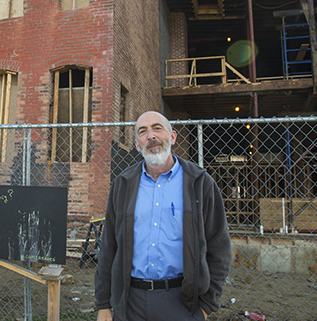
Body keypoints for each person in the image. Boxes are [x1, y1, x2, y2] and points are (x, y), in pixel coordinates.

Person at [95, 111, 231, 321]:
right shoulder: (123, 184)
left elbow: (219, 247)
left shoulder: (199, 183)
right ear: (137, 144)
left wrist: (205, 306)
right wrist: (103, 304)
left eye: (157, 128)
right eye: (143, 131)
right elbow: (108, 246)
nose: (150, 136)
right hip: (131, 303)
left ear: (173, 137)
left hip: (182, 303)